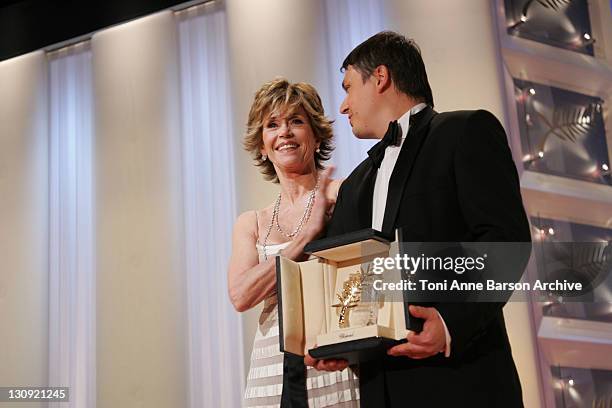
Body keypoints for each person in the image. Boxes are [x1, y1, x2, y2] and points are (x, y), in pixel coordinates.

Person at [305, 31, 531, 407]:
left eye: (348, 88)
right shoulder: (354, 185)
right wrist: (334, 341)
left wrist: (449, 323)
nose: (343, 106)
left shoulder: (465, 131)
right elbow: (341, 279)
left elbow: (504, 241)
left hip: (462, 380)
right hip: (382, 390)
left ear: (380, 77)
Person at [228, 78, 360, 408]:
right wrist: (304, 238)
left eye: (296, 121)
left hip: (334, 361)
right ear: (262, 145)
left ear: (316, 136)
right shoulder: (252, 223)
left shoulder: (343, 194)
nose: (284, 132)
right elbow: (242, 296)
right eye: (272, 124)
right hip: (271, 372)